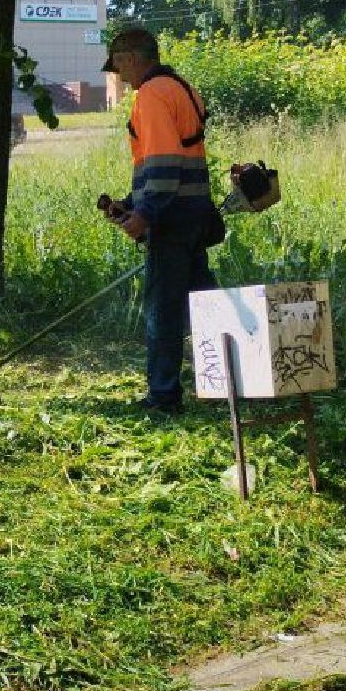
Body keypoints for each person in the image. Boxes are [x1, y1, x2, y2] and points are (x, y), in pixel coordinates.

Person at [102, 27, 220, 413]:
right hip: (196, 212)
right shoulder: (181, 88)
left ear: (131, 58)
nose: (117, 75)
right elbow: (175, 161)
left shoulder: (151, 95)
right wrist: (130, 202)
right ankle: (227, 383)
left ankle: (164, 397)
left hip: (170, 219)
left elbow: (165, 165)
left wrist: (145, 214)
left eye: (118, 65)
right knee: (207, 306)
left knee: (163, 312)